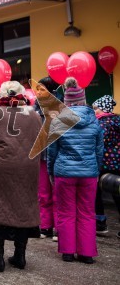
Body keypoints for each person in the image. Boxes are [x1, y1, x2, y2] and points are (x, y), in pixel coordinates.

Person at [0, 81, 41, 272]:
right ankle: (20, 256)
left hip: (1, 168)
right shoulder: (34, 115)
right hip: (28, 167)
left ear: (1, 95)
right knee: (23, 207)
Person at [47, 77, 103, 264]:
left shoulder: (58, 121)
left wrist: (51, 172)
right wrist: (96, 169)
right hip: (89, 173)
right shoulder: (94, 121)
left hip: (64, 172)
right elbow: (98, 150)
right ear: (83, 100)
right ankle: (86, 253)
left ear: (67, 102)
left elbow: (51, 151)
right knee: (87, 212)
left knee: (65, 212)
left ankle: (68, 252)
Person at [32, 77, 64, 240]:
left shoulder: (59, 109)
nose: (38, 92)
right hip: (41, 157)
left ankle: (59, 228)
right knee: (43, 194)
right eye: (37, 89)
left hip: (58, 157)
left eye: (42, 89)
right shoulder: (34, 110)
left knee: (57, 194)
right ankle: (45, 226)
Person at [92, 95, 120, 235]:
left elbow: (98, 145)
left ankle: (100, 223)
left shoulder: (101, 123)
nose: (95, 111)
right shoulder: (118, 120)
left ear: (103, 108)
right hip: (117, 162)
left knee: (97, 193)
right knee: (117, 192)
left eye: (96, 108)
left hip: (103, 162)